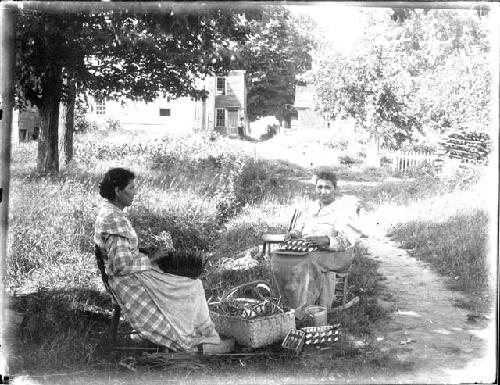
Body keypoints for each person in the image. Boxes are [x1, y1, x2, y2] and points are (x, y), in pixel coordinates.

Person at [94, 168, 220, 351]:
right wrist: (150, 258)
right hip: (127, 281)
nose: (135, 192)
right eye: (131, 188)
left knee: (185, 283)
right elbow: (120, 265)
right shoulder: (113, 219)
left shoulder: (111, 212)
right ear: (117, 191)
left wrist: (144, 251)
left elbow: (121, 251)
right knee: (192, 286)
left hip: (130, 273)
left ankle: (193, 333)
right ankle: (188, 337)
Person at [271, 170, 362, 315]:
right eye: (320, 187)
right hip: (310, 249)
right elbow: (299, 228)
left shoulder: (343, 210)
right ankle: (285, 301)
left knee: (308, 261)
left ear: (335, 189)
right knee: (278, 257)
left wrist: (326, 240)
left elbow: (349, 240)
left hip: (335, 253)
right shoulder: (311, 207)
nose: (323, 192)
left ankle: (302, 310)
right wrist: (294, 234)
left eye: (328, 187)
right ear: (315, 188)